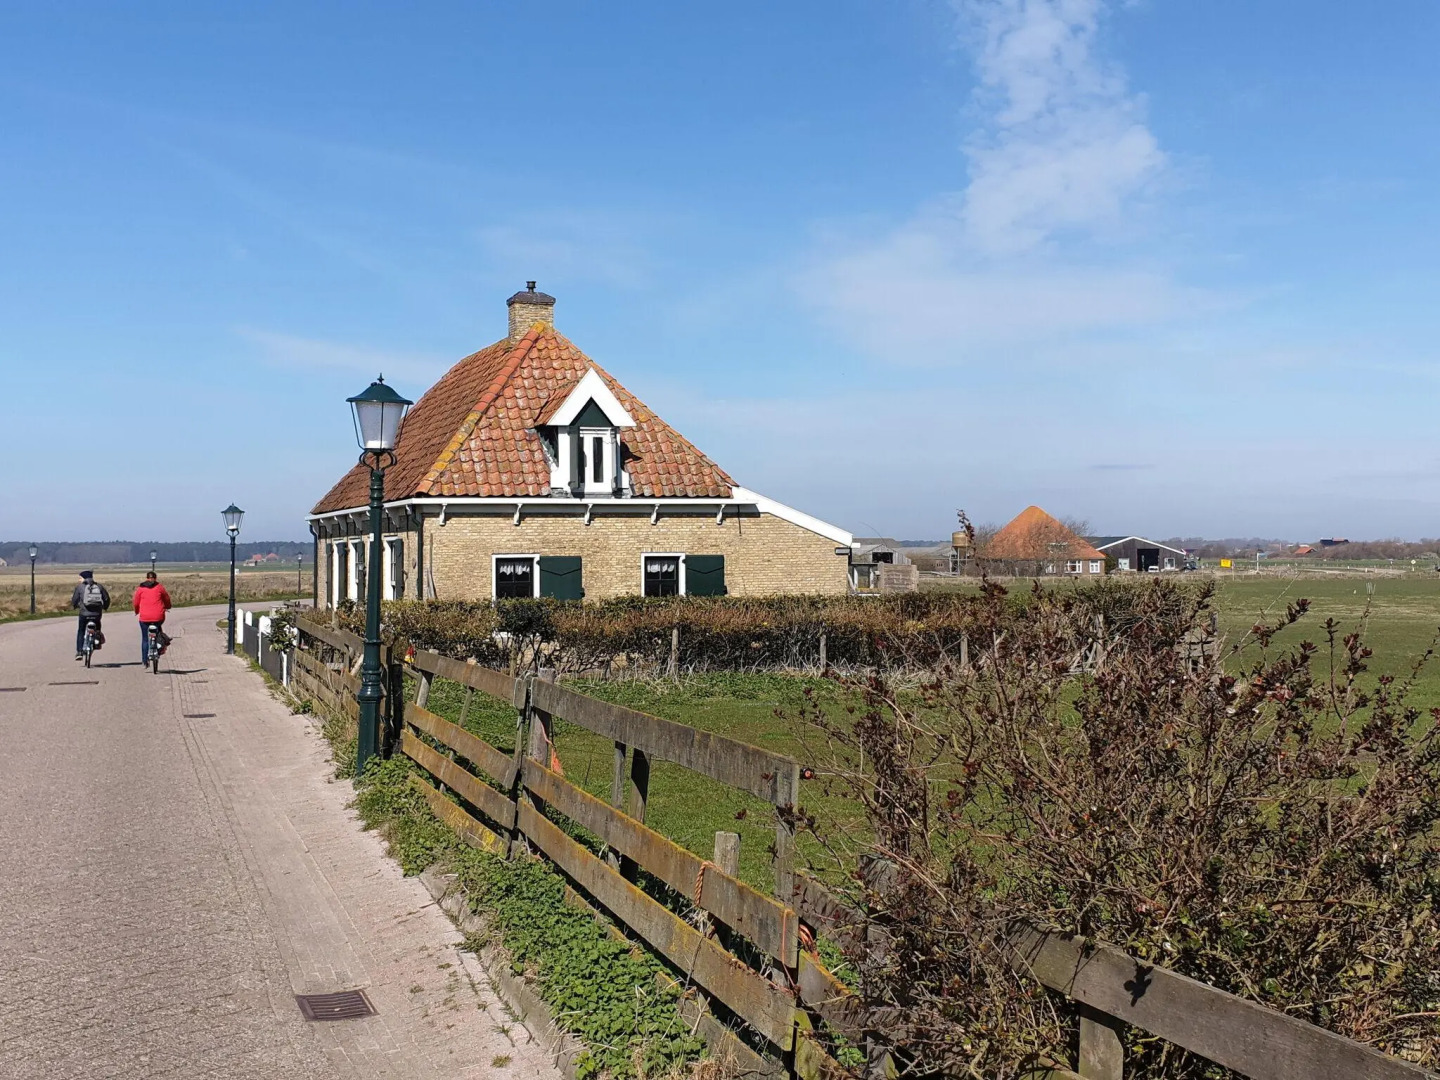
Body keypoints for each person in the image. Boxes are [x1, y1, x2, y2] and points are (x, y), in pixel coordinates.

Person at [133, 570, 173, 665]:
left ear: (147, 578)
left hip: (144, 618)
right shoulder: (159, 587)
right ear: (155, 578)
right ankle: (159, 647)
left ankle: (144, 660)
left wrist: (137, 611)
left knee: (145, 639)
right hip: (158, 617)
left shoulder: (141, 588)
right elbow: (166, 599)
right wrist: (168, 606)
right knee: (158, 631)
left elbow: (136, 602)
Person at [70, 570, 110, 660]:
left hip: (84, 614)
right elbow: (106, 599)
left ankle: (79, 652)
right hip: (97, 614)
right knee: (98, 627)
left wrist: (75, 606)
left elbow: (74, 600)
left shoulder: (80, 587)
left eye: (80, 578)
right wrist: (105, 607)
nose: (79, 580)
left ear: (84, 578)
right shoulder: (99, 586)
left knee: (81, 631)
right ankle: (97, 641)